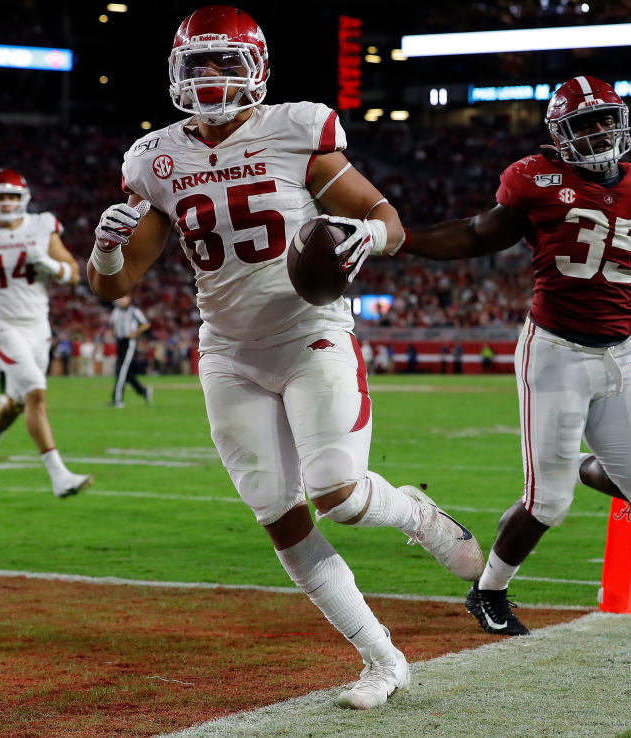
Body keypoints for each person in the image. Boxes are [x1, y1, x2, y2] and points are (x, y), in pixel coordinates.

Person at [87, 5, 483, 710]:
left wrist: (369, 235)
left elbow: (390, 220)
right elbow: (114, 285)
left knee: (338, 494)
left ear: (257, 69)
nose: (210, 77)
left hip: (310, 332)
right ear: (176, 72)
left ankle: (415, 514)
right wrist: (105, 246)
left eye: (223, 62)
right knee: (280, 513)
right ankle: (382, 659)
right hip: (228, 352)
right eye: (196, 64)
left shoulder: (298, 129)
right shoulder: (154, 159)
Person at [403, 76, 631, 636]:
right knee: (547, 503)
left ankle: (567, 465)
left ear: (622, 122)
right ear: (561, 137)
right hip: (554, 353)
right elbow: (476, 234)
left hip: (619, 357)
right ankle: (489, 592)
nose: (599, 132)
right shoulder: (538, 181)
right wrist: (399, 236)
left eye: (605, 120)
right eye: (585, 124)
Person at [0, 168, 92, 499]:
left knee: (15, 403)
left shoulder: (42, 226)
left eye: (12, 196)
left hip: (38, 325)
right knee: (36, 393)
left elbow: (72, 273)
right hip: (2, 324)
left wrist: (52, 266)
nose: (6, 203)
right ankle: (60, 476)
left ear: (23, 198)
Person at [109, 295, 152, 407]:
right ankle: (143, 391)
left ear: (129, 299)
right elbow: (112, 325)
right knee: (123, 371)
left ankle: (117, 399)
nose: (121, 301)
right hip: (120, 342)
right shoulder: (116, 311)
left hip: (129, 342)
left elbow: (146, 324)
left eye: (124, 298)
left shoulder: (134, 311)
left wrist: (135, 333)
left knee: (122, 370)